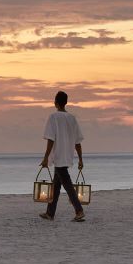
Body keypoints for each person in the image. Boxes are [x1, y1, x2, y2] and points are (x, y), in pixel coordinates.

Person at [39, 90, 85, 222]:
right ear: (66, 102)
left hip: (58, 156)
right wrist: (80, 159)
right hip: (67, 156)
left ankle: (79, 210)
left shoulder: (53, 117)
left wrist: (46, 157)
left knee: (68, 185)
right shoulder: (72, 118)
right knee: (56, 186)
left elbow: (50, 139)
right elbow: (77, 142)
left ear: (55, 102)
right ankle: (50, 213)